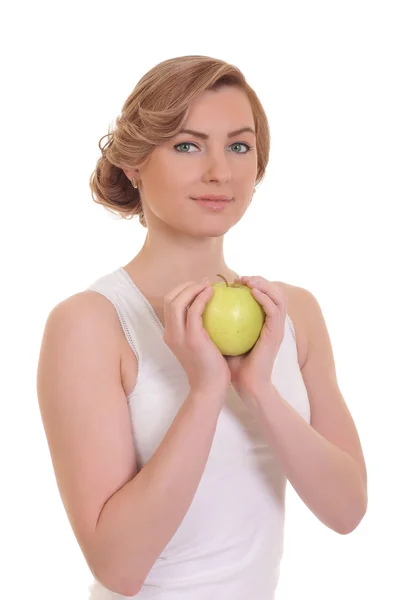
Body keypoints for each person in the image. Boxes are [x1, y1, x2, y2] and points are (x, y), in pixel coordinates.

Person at [36, 55, 368, 599]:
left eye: (238, 146)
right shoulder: (90, 324)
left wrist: (257, 389)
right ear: (134, 164)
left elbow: (347, 510)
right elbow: (118, 567)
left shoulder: (294, 314)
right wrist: (206, 391)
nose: (220, 171)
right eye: (187, 145)